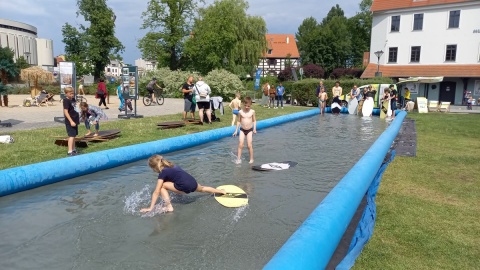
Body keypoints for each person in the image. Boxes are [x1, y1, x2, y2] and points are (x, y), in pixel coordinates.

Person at [140, 155, 226, 213]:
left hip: (184, 187)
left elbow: (156, 191)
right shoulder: (172, 166)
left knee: (162, 186)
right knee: (203, 189)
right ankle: (220, 191)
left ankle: (169, 207)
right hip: (192, 182)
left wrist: (150, 208)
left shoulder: (163, 173)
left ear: (154, 167)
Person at [233, 96, 256, 164]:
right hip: (242, 130)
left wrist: (254, 128)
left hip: (249, 130)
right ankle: (238, 159)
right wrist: (236, 130)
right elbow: (238, 121)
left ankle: (251, 159)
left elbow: (254, 121)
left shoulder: (252, 112)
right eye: (245, 106)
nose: (246, 107)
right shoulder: (240, 112)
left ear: (250, 105)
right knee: (240, 144)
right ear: (243, 104)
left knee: (249, 145)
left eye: (248, 106)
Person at [63, 86, 80, 156]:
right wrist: (71, 121)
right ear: (66, 93)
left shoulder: (73, 99)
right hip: (70, 121)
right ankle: (70, 151)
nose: (72, 95)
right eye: (70, 94)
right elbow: (66, 112)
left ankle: (73, 149)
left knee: (74, 135)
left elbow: (75, 109)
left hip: (75, 120)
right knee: (71, 136)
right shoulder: (66, 101)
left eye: (73, 93)